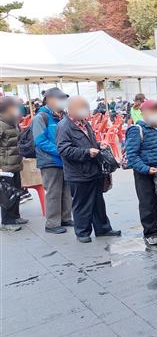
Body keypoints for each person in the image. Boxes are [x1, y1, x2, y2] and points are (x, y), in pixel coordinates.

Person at [56, 96, 121, 243]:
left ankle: (103, 229)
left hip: (93, 169)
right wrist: (86, 152)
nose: (85, 110)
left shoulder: (85, 124)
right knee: (82, 204)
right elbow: (64, 150)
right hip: (78, 173)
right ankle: (82, 232)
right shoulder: (64, 126)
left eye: (86, 107)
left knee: (98, 202)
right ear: (71, 109)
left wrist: (99, 145)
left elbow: (90, 142)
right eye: (81, 107)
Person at [124, 100, 157, 246]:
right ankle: (149, 232)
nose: (156, 114)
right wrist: (145, 169)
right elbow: (132, 155)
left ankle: (155, 225)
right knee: (148, 202)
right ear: (143, 113)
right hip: (145, 173)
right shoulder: (136, 130)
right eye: (152, 111)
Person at [33, 88, 73, 234]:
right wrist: (61, 150)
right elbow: (40, 141)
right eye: (59, 98)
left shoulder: (62, 116)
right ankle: (52, 223)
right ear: (49, 99)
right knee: (53, 192)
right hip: (49, 160)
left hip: (64, 160)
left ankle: (65, 218)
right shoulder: (41, 117)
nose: (63, 101)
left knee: (66, 190)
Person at [0, 97, 28, 231]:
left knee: (16, 191)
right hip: (5, 165)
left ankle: (16, 216)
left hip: (16, 163)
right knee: (6, 194)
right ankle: (6, 221)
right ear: (7, 108)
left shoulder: (13, 122)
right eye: (15, 107)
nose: (18, 109)